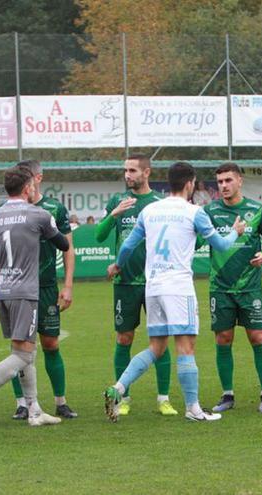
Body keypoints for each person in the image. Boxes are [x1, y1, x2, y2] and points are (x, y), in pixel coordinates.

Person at [103, 162, 245, 422]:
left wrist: (117, 265)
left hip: (153, 287)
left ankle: (118, 389)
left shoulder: (149, 210)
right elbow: (222, 246)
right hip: (178, 288)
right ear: (190, 183)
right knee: (186, 347)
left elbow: (127, 246)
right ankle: (194, 408)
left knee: (156, 348)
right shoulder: (195, 212)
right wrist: (236, 232)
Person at [0, 166, 70, 429]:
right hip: (26, 292)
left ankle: (33, 410)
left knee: (22, 350)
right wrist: (48, 229)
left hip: (3, 291)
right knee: (24, 355)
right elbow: (63, 245)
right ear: (28, 188)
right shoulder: (38, 214)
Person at [96, 154, 175, 418]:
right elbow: (99, 236)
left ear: (146, 172)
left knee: (160, 341)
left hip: (155, 282)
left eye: (132, 170)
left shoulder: (159, 204)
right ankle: (123, 396)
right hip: (125, 283)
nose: (127, 175)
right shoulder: (117, 202)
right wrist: (113, 215)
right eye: (125, 171)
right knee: (124, 338)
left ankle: (163, 398)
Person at [205, 163, 262, 414]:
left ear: (239, 181)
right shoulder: (210, 211)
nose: (224, 186)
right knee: (223, 339)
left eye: (228, 180)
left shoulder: (256, 210)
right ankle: (227, 395)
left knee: (258, 338)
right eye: (220, 182)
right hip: (220, 287)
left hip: (250, 287)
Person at [8, 160, 77, 420]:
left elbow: (68, 249)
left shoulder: (54, 208)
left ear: (38, 178)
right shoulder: (13, 209)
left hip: (47, 286)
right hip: (19, 287)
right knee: (19, 346)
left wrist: (68, 286)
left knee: (50, 343)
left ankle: (60, 401)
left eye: (29, 177)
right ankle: (22, 404)